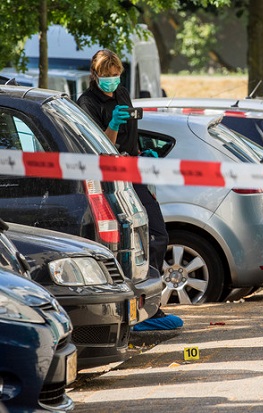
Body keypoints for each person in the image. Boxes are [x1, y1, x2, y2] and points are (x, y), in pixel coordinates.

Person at [78, 49, 181, 331]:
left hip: (133, 172)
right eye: (106, 76)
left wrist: (142, 151)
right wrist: (112, 125)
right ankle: (129, 308)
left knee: (158, 234)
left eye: (115, 75)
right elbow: (99, 148)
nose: (112, 81)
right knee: (123, 243)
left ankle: (152, 304)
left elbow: (132, 136)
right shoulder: (87, 102)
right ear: (94, 75)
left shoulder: (122, 93)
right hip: (110, 180)